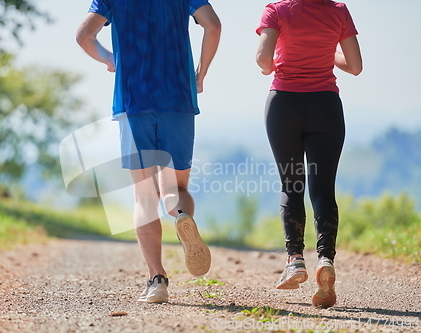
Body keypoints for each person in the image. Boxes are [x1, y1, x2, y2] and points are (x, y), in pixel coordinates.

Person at [76, 0, 221, 303]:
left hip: (133, 103)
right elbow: (213, 24)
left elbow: (84, 36)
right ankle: (181, 215)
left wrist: (111, 58)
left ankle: (157, 281)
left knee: (144, 194)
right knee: (175, 187)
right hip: (178, 100)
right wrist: (201, 73)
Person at [255, 0, 362, 308]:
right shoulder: (338, 10)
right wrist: (326, 52)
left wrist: (283, 60)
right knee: (323, 189)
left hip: (284, 103)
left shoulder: (277, 10)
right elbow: (354, 66)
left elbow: (263, 61)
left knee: (292, 184)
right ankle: (325, 258)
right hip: (326, 107)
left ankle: (295, 260)